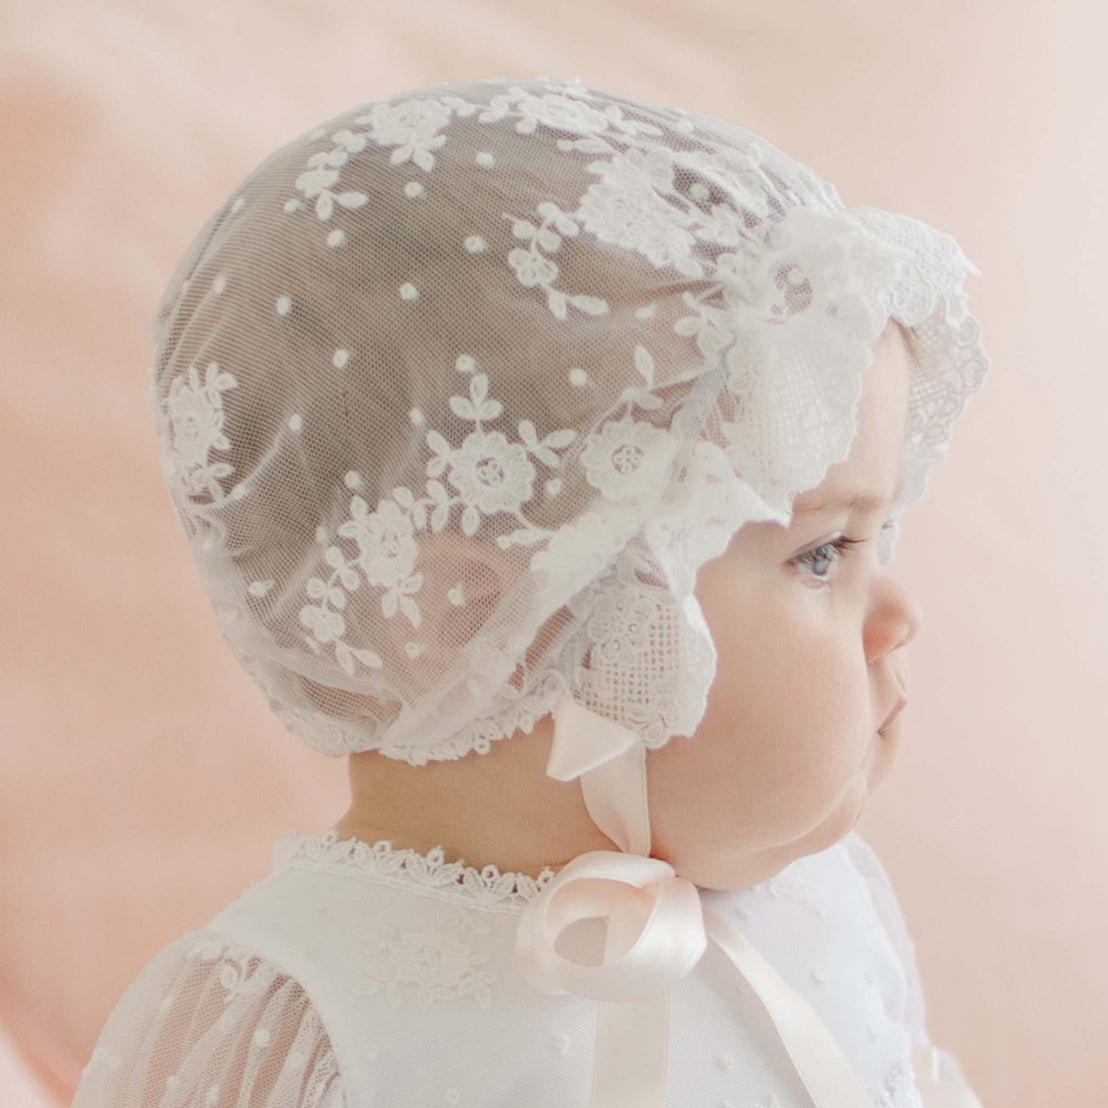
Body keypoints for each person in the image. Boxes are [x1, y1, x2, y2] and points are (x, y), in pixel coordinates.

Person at [71, 75, 990, 1107]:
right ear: (488, 624)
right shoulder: (311, 1017)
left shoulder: (822, 905)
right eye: (822, 552)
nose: (898, 609)